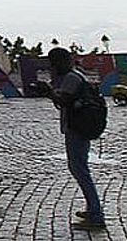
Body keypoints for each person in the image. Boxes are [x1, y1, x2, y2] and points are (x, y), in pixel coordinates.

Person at [42, 47, 106, 230]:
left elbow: (64, 101)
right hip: (80, 126)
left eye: (53, 64)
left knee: (79, 169)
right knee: (80, 167)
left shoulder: (71, 78)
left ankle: (96, 214)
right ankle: (92, 209)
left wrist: (49, 92)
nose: (53, 68)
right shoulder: (78, 75)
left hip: (76, 128)